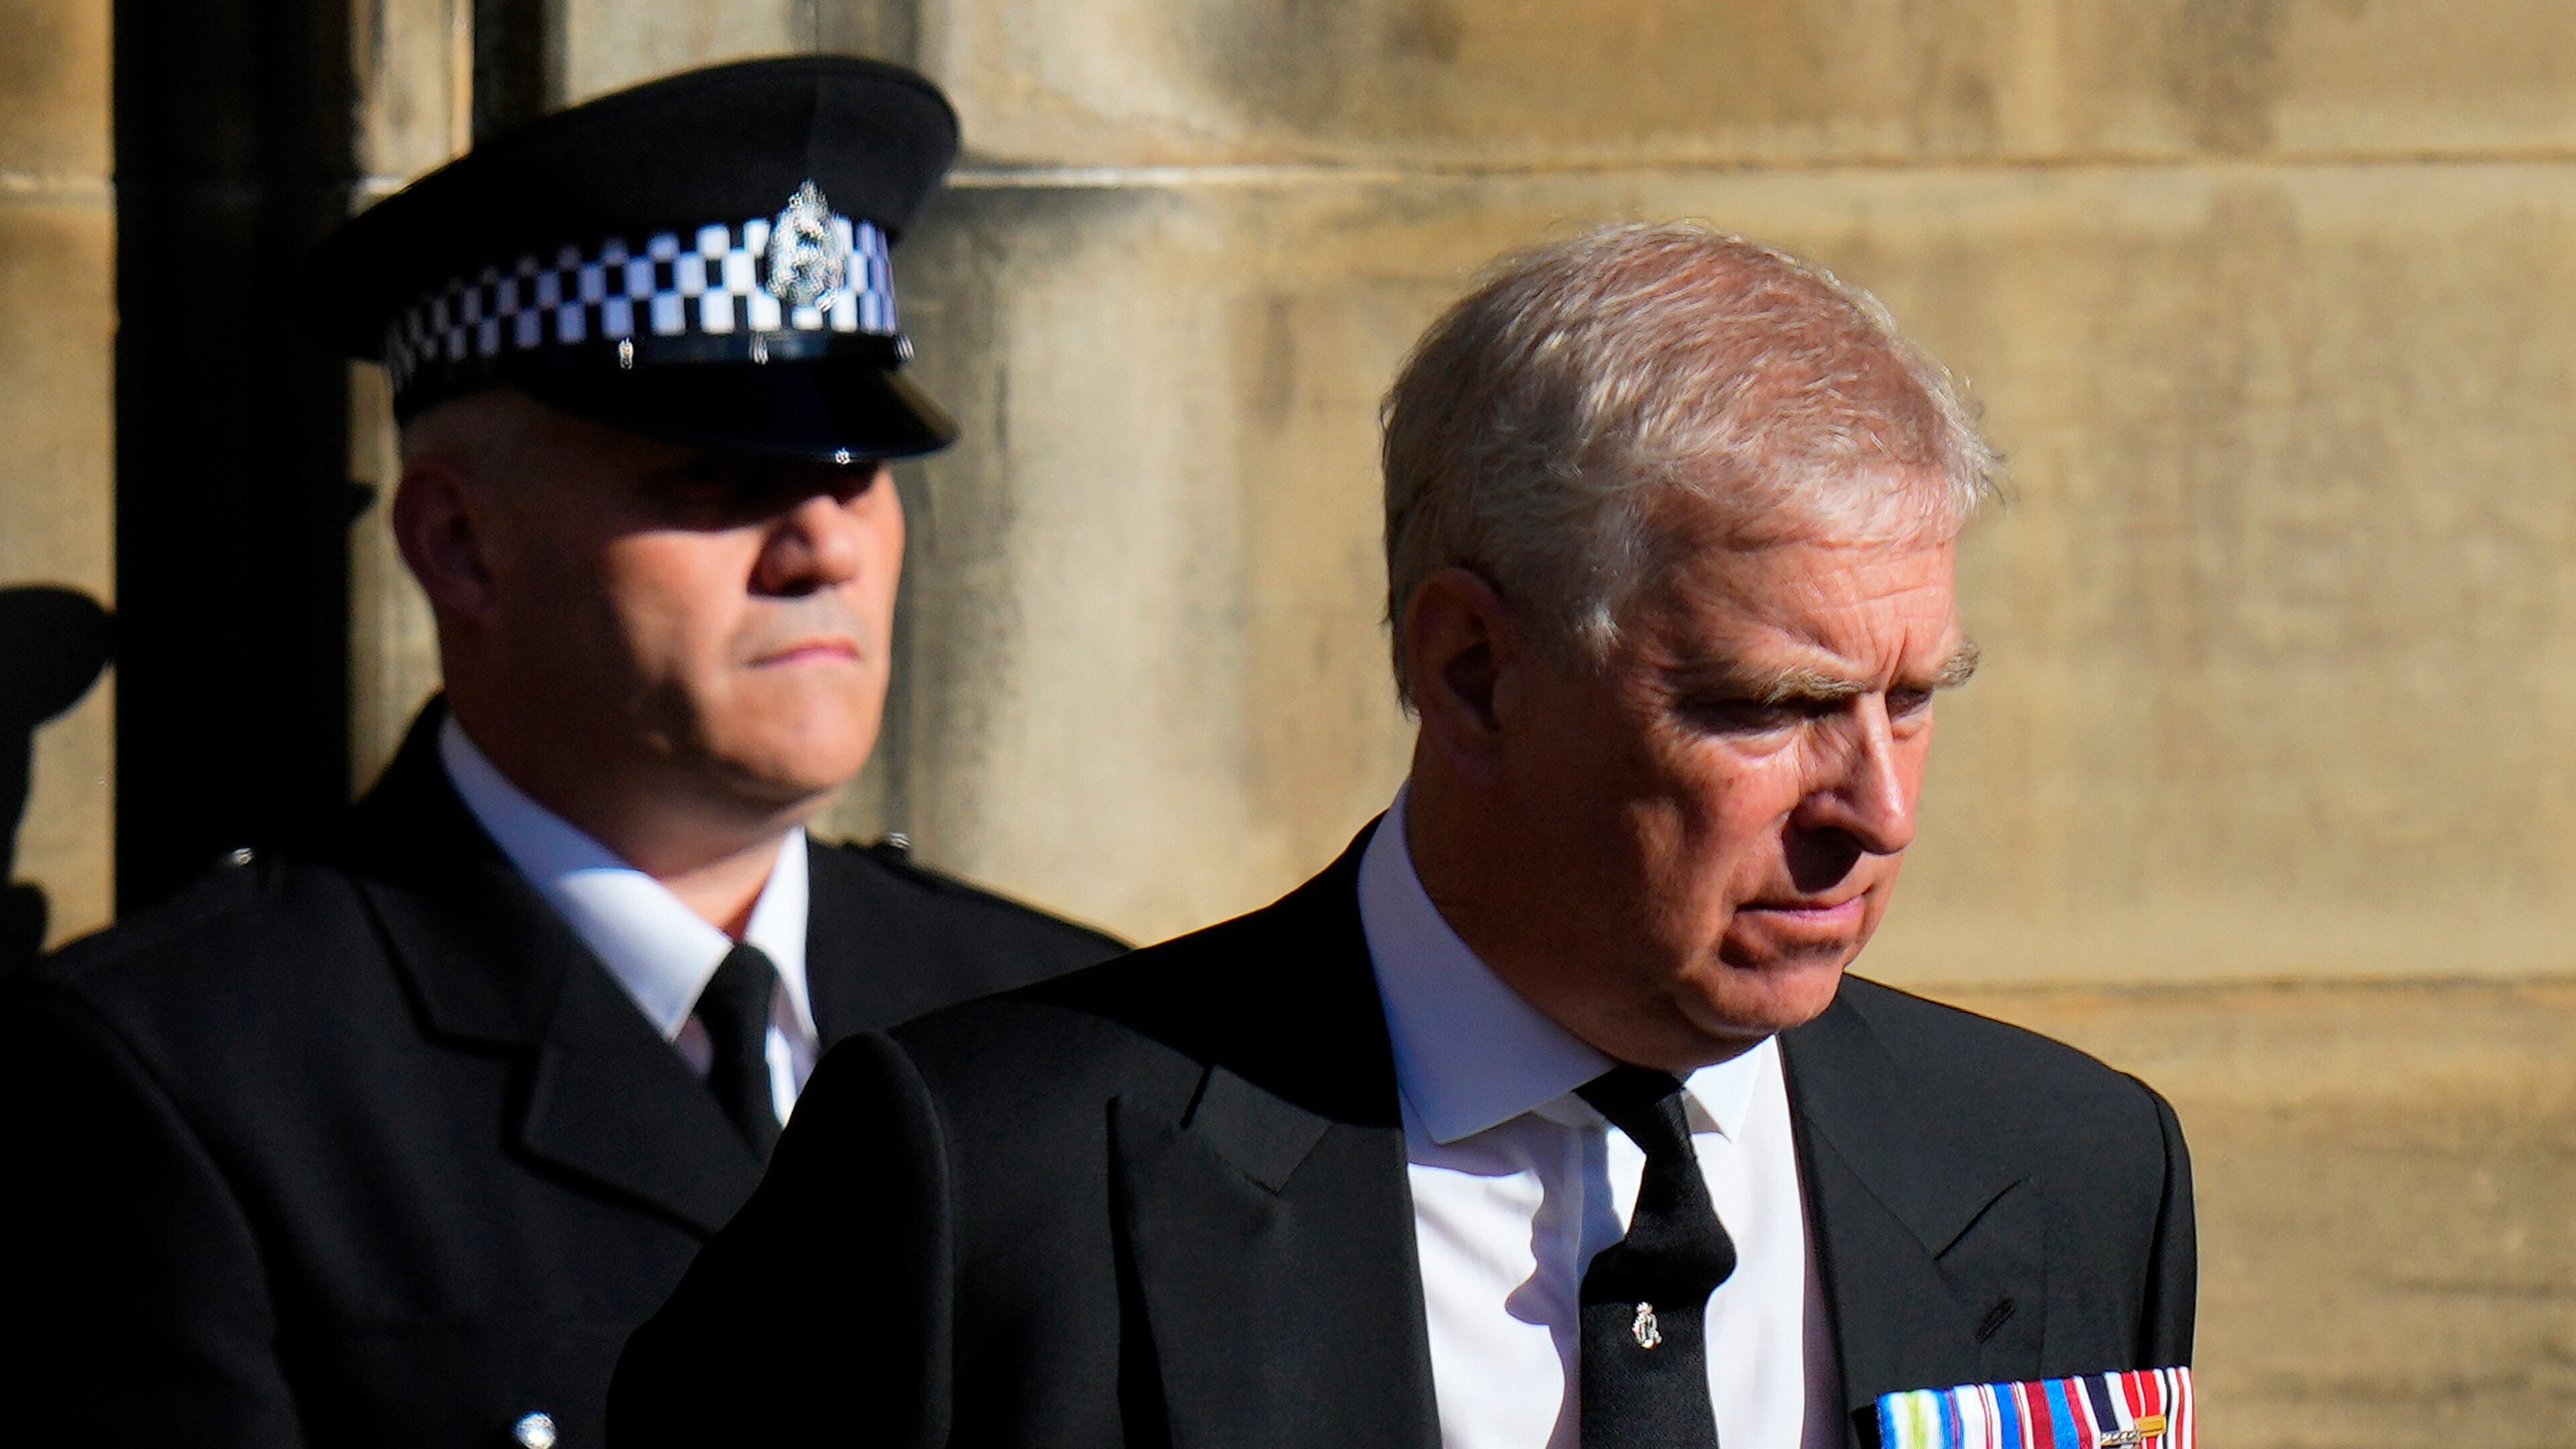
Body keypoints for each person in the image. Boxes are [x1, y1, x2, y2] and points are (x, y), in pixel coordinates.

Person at [613, 222, 2196, 1449]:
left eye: (1915, 701)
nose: (1877, 812)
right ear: (1473, 672)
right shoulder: (998, 1181)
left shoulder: (2061, 1171)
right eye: (1768, 708)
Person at [0, 57, 1120, 1449]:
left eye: (850, 477)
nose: (822, 545)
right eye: (711, 480)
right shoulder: (191, 1079)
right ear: (461, 545)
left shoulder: (1066, 1020)